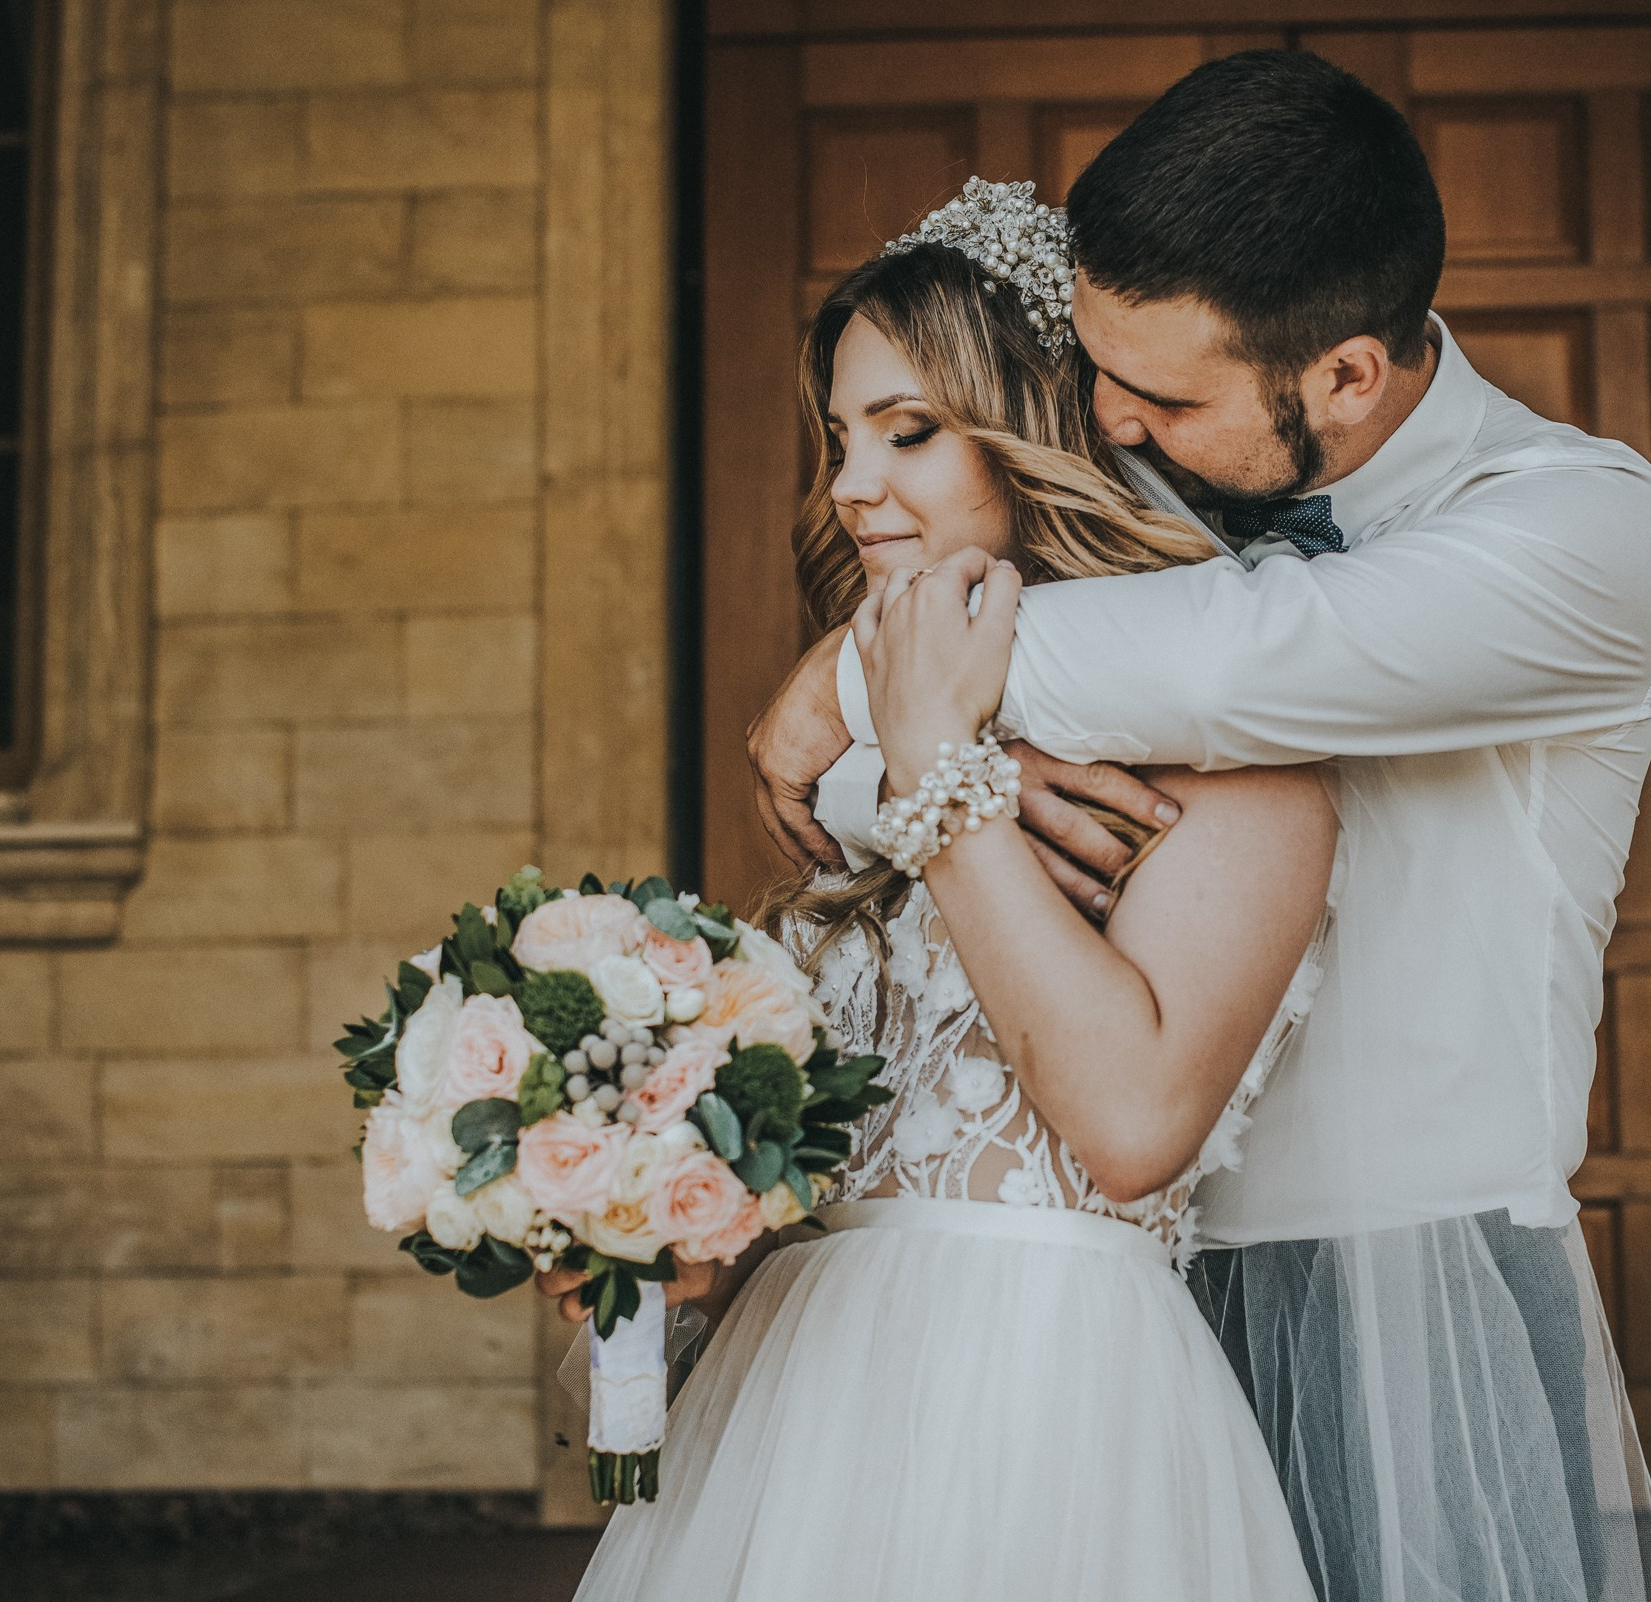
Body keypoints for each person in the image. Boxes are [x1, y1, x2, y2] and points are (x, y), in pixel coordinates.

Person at [748, 51, 1651, 1602]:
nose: (1107, 420)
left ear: (1346, 375)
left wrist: (859, 674)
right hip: (1110, 1301)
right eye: (1100, 372)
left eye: (1160, 395)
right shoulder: (1168, 466)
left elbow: (1246, 661)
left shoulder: (1586, 531)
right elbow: (889, 796)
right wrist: (882, 744)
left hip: (1407, 1284)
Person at [549, 183, 1334, 1601]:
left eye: (909, 432)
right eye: (841, 439)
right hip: (788, 1424)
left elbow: (1132, 1123)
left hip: (1045, 1416)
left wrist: (934, 771)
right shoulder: (853, 789)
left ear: (1042, 432)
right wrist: (668, 1228)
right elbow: (851, 1163)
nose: (851, 487)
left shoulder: (1237, 776)